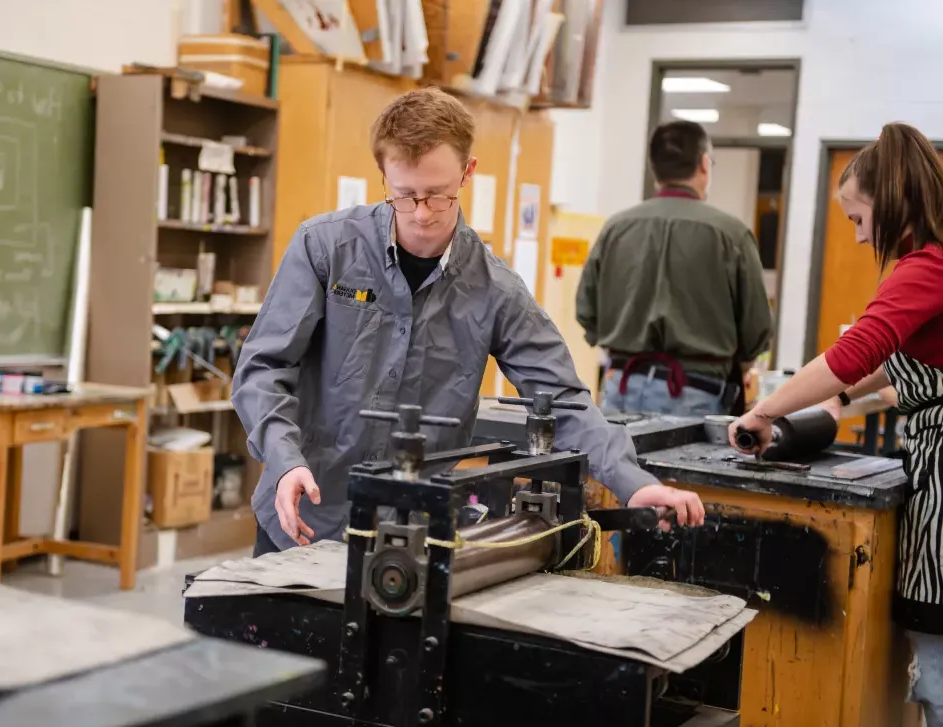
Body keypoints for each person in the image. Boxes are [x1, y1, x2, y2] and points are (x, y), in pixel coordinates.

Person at [232, 88, 705, 556]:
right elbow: (262, 370)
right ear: (383, 174)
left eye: (437, 196)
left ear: (468, 172)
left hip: (413, 538)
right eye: (404, 195)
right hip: (301, 521)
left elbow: (560, 398)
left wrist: (632, 483)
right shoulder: (325, 248)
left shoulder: (494, 289)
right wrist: (284, 458)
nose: (420, 215)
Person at [728, 122, 943, 724]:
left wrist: (765, 410)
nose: (855, 236)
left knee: (940, 666)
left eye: (857, 218)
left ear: (893, 200)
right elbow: (892, 367)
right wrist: (830, 407)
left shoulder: (925, 268)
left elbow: (858, 353)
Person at [576, 120, 773, 416]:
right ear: (704, 164)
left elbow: (586, 310)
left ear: (654, 167)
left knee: (617, 463)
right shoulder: (731, 233)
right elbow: (756, 328)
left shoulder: (616, 228)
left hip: (621, 387)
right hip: (696, 394)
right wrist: (742, 362)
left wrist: (617, 346)